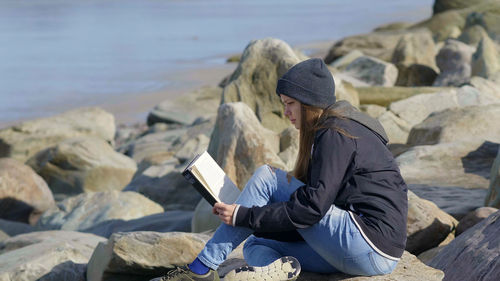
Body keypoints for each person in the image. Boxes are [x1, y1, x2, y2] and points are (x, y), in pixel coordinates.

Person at [151, 58, 408, 281]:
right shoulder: (343, 128)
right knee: (255, 244)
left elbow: (311, 209)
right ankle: (273, 272)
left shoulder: (335, 133)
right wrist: (257, 220)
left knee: (267, 177)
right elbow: (314, 209)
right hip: (374, 256)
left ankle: (201, 268)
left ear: (309, 102)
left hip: (367, 243)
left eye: (290, 104)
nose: (286, 112)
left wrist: (244, 216)